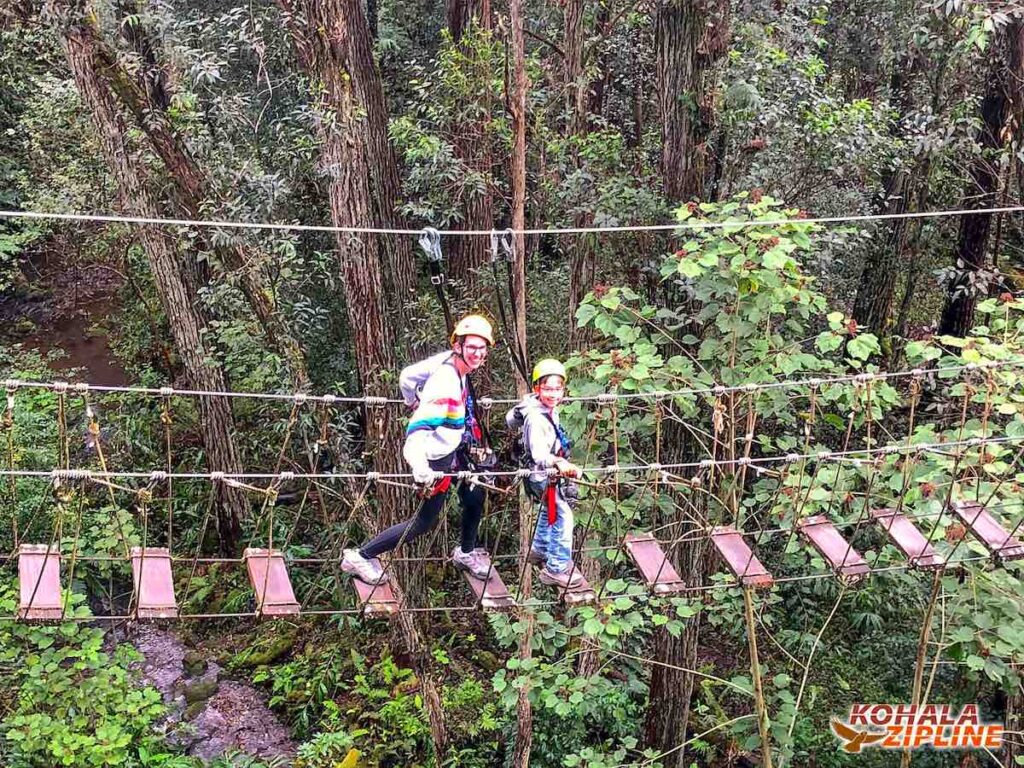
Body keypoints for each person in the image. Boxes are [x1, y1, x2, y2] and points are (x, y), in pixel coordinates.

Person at [342, 314, 496, 584]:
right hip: (436, 458)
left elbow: (408, 375)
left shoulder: (446, 362)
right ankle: (362, 556)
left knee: (474, 495)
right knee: (424, 522)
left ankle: (466, 552)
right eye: (471, 347)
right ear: (458, 346)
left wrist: (411, 399)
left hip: (454, 448)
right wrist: (421, 467)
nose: (478, 353)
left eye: (482, 348)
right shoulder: (445, 386)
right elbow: (416, 435)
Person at [505, 358, 584, 588]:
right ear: (536, 388)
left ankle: (539, 549)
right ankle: (556, 568)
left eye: (557, 389)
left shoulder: (544, 408)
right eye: (547, 389)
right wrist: (559, 462)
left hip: (542, 475)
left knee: (550, 507)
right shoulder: (536, 418)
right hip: (541, 472)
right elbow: (540, 454)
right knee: (563, 515)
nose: (553, 394)